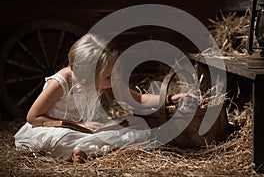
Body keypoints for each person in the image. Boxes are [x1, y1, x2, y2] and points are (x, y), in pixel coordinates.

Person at [14, 33, 183, 163]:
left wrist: (170, 98)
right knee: (64, 140)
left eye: (117, 70)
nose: (116, 78)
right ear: (86, 75)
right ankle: (82, 150)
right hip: (55, 127)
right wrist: (76, 125)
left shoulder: (109, 76)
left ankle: (88, 150)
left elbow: (138, 99)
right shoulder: (61, 83)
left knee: (138, 124)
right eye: (109, 77)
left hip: (89, 127)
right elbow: (33, 117)